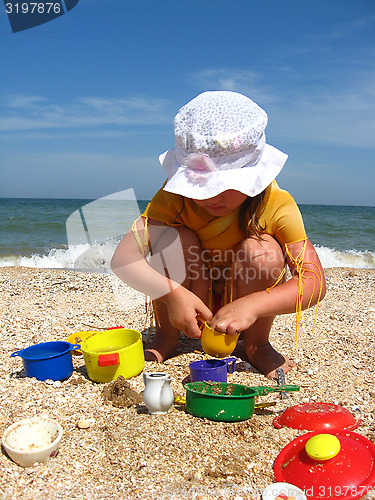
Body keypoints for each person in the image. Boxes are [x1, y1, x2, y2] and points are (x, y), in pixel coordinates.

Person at [111, 91, 326, 379]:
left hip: (243, 302)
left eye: (226, 185)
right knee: (171, 239)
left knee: (262, 250)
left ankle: (256, 343)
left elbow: (314, 280)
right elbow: (123, 258)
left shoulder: (275, 203)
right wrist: (174, 296)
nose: (213, 196)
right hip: (188, 297)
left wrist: (253, 305)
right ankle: (165, 336)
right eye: (202, 186)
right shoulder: (174, 198)